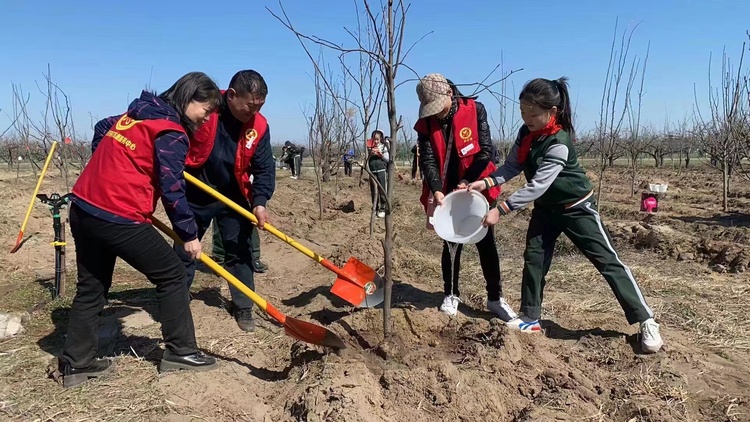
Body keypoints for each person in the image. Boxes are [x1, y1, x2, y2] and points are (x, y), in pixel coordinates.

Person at [467, 77, 663, 353]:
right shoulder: (526, 134)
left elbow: (538, 185)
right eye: (523, 113)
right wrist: (486, 182)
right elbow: (512, 166)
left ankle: (646, 319)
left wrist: (500, 209)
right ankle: (530, 318)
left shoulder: (559, 142)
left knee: (607, 261)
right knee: (534, 258)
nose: (527, 119)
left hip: (576, 208)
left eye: (533, 114)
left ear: (552, 111)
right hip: (546, 210)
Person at [59, 72, 223, 387]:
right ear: (189, 98)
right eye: (206, 110)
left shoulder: (134, 115)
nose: (206, 118)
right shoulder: (172, 132)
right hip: (119, 215)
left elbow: (101, 128)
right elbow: (173, 189)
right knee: (173, 274)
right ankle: (182, 351)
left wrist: (111, 165)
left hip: (83, 206)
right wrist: (189, 235)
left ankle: (77, 364)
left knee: (92, 287)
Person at [175, 69, 275, 332]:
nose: (253, 113)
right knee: (184, 248)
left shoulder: (259, 126)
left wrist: (260, 201)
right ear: (231, 95)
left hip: (234, 194)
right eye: (249, 106)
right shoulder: (204, 107)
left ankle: (243, 306)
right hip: (196, 190)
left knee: (239, 250)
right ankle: (176, 301)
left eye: (259, 107)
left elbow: (264, 169)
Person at [414, 73, 516, 321]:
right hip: (446, 188)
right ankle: (450, 293)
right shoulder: (427, 123)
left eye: (438, 107)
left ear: (450, 92)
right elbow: (427, 159)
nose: (436, 113)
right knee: (450, 242)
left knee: (485, 241)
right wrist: (437, 188)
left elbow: (485, 152)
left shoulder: (475, 110)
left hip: (476, 183)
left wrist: (467, 180)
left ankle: (495, 298)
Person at [367, 130, 389, 218]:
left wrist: (381, 155)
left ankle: (382, 208)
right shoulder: (369, 147)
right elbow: (366, 159)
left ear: (380, 139)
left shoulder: (383, 147)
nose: (375, 141)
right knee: (373, 191)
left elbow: (387, 159)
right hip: (372, 172)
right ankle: (375, 208)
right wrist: (370, 154)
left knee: (382, 190)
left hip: (381, 171)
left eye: (377, 139)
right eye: (374, 139)